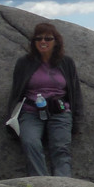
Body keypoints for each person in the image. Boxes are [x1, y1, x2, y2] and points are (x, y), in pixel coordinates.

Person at [6, 22, 83, 177]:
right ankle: (40, 182)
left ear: (56, 41)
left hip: (60, 111)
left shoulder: (66, 62)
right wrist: (10, 116)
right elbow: (16, 91)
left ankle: (63, 184)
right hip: (31, 111)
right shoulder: (24, 63)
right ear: (33, 42)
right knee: (30, 142)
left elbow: (75, 91)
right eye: (38, 38)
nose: (43, 42)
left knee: (61, 148)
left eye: (48, 38)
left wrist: (77, 119)